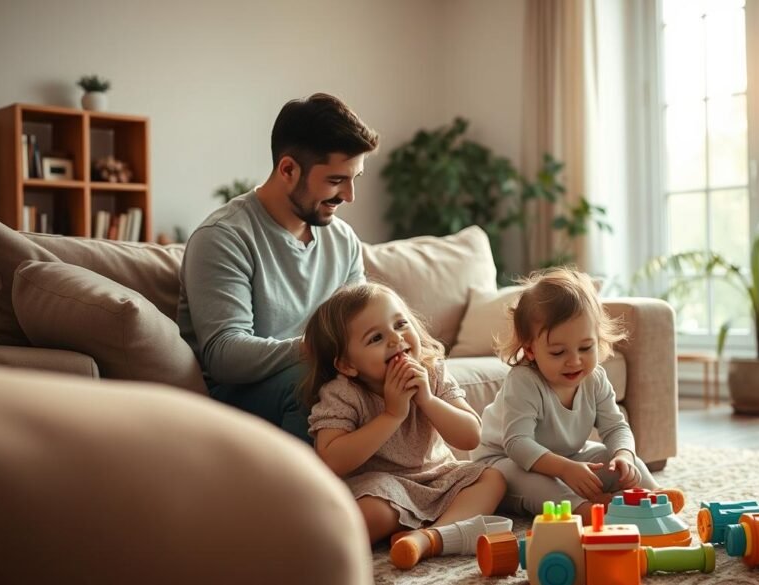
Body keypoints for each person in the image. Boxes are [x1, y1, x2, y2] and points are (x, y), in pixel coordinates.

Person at [177, 93, 379, 443]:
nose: (349, 196)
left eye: (354, 179)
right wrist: (319, 346)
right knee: (315, 383)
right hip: (237, 396)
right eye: (335, 180)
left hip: (317, 378)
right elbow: (225, 355)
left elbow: (358, 323)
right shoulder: (223, 237)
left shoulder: (344, 240)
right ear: (288, 169)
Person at [301, 282, 507, 570]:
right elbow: (331, 459)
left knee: (492, 479)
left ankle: (429, 538)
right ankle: (330, 544)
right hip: (383, 489)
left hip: (439, 478)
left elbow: (472, 436)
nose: (396, 340)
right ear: (348, 365)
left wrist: (428, 401)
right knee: (367, 514)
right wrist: (392, 415)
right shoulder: (343, 393)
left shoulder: (432, 371)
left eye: (400, 324)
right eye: (375, 338)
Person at [472, 267, 661, 523]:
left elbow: (616, 427)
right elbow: (517, 444)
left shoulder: (595, 379)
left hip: (568, 458)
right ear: (530, 350)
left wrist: (623, 456)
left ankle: (653, 496)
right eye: (558, 352)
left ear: (598, 339)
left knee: (618, 461)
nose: (574, 361)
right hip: (503, 462)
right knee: (540, 485)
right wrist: (565, 469)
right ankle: (588, 509)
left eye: (585, 347)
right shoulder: (524, 381)